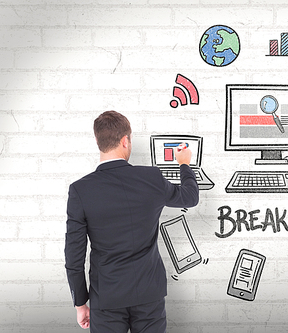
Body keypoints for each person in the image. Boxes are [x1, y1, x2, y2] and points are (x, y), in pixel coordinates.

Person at [64, 111, 199, 332]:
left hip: (106, 297)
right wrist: (184, 164)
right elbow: (190, 197)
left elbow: (74, 254)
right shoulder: (152, 178)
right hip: (149, 295)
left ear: (98, 141)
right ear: (125, 140)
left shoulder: (80, 190)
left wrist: (80, 303)